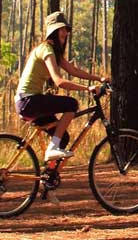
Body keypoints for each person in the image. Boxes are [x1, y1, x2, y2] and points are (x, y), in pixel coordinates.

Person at [15, 11, 106, 162]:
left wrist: (100, 78)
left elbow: (74, 71)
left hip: (29, 103)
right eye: (62, 29)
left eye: (66, 30)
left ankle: (48, 176)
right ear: (53, 32)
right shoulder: (46, 50)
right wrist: (87, 88)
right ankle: (51, 150)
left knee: (62, 137)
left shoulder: (54, 53)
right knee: (72, 104)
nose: (65, 33)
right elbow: (59, 81)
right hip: (28, 101)